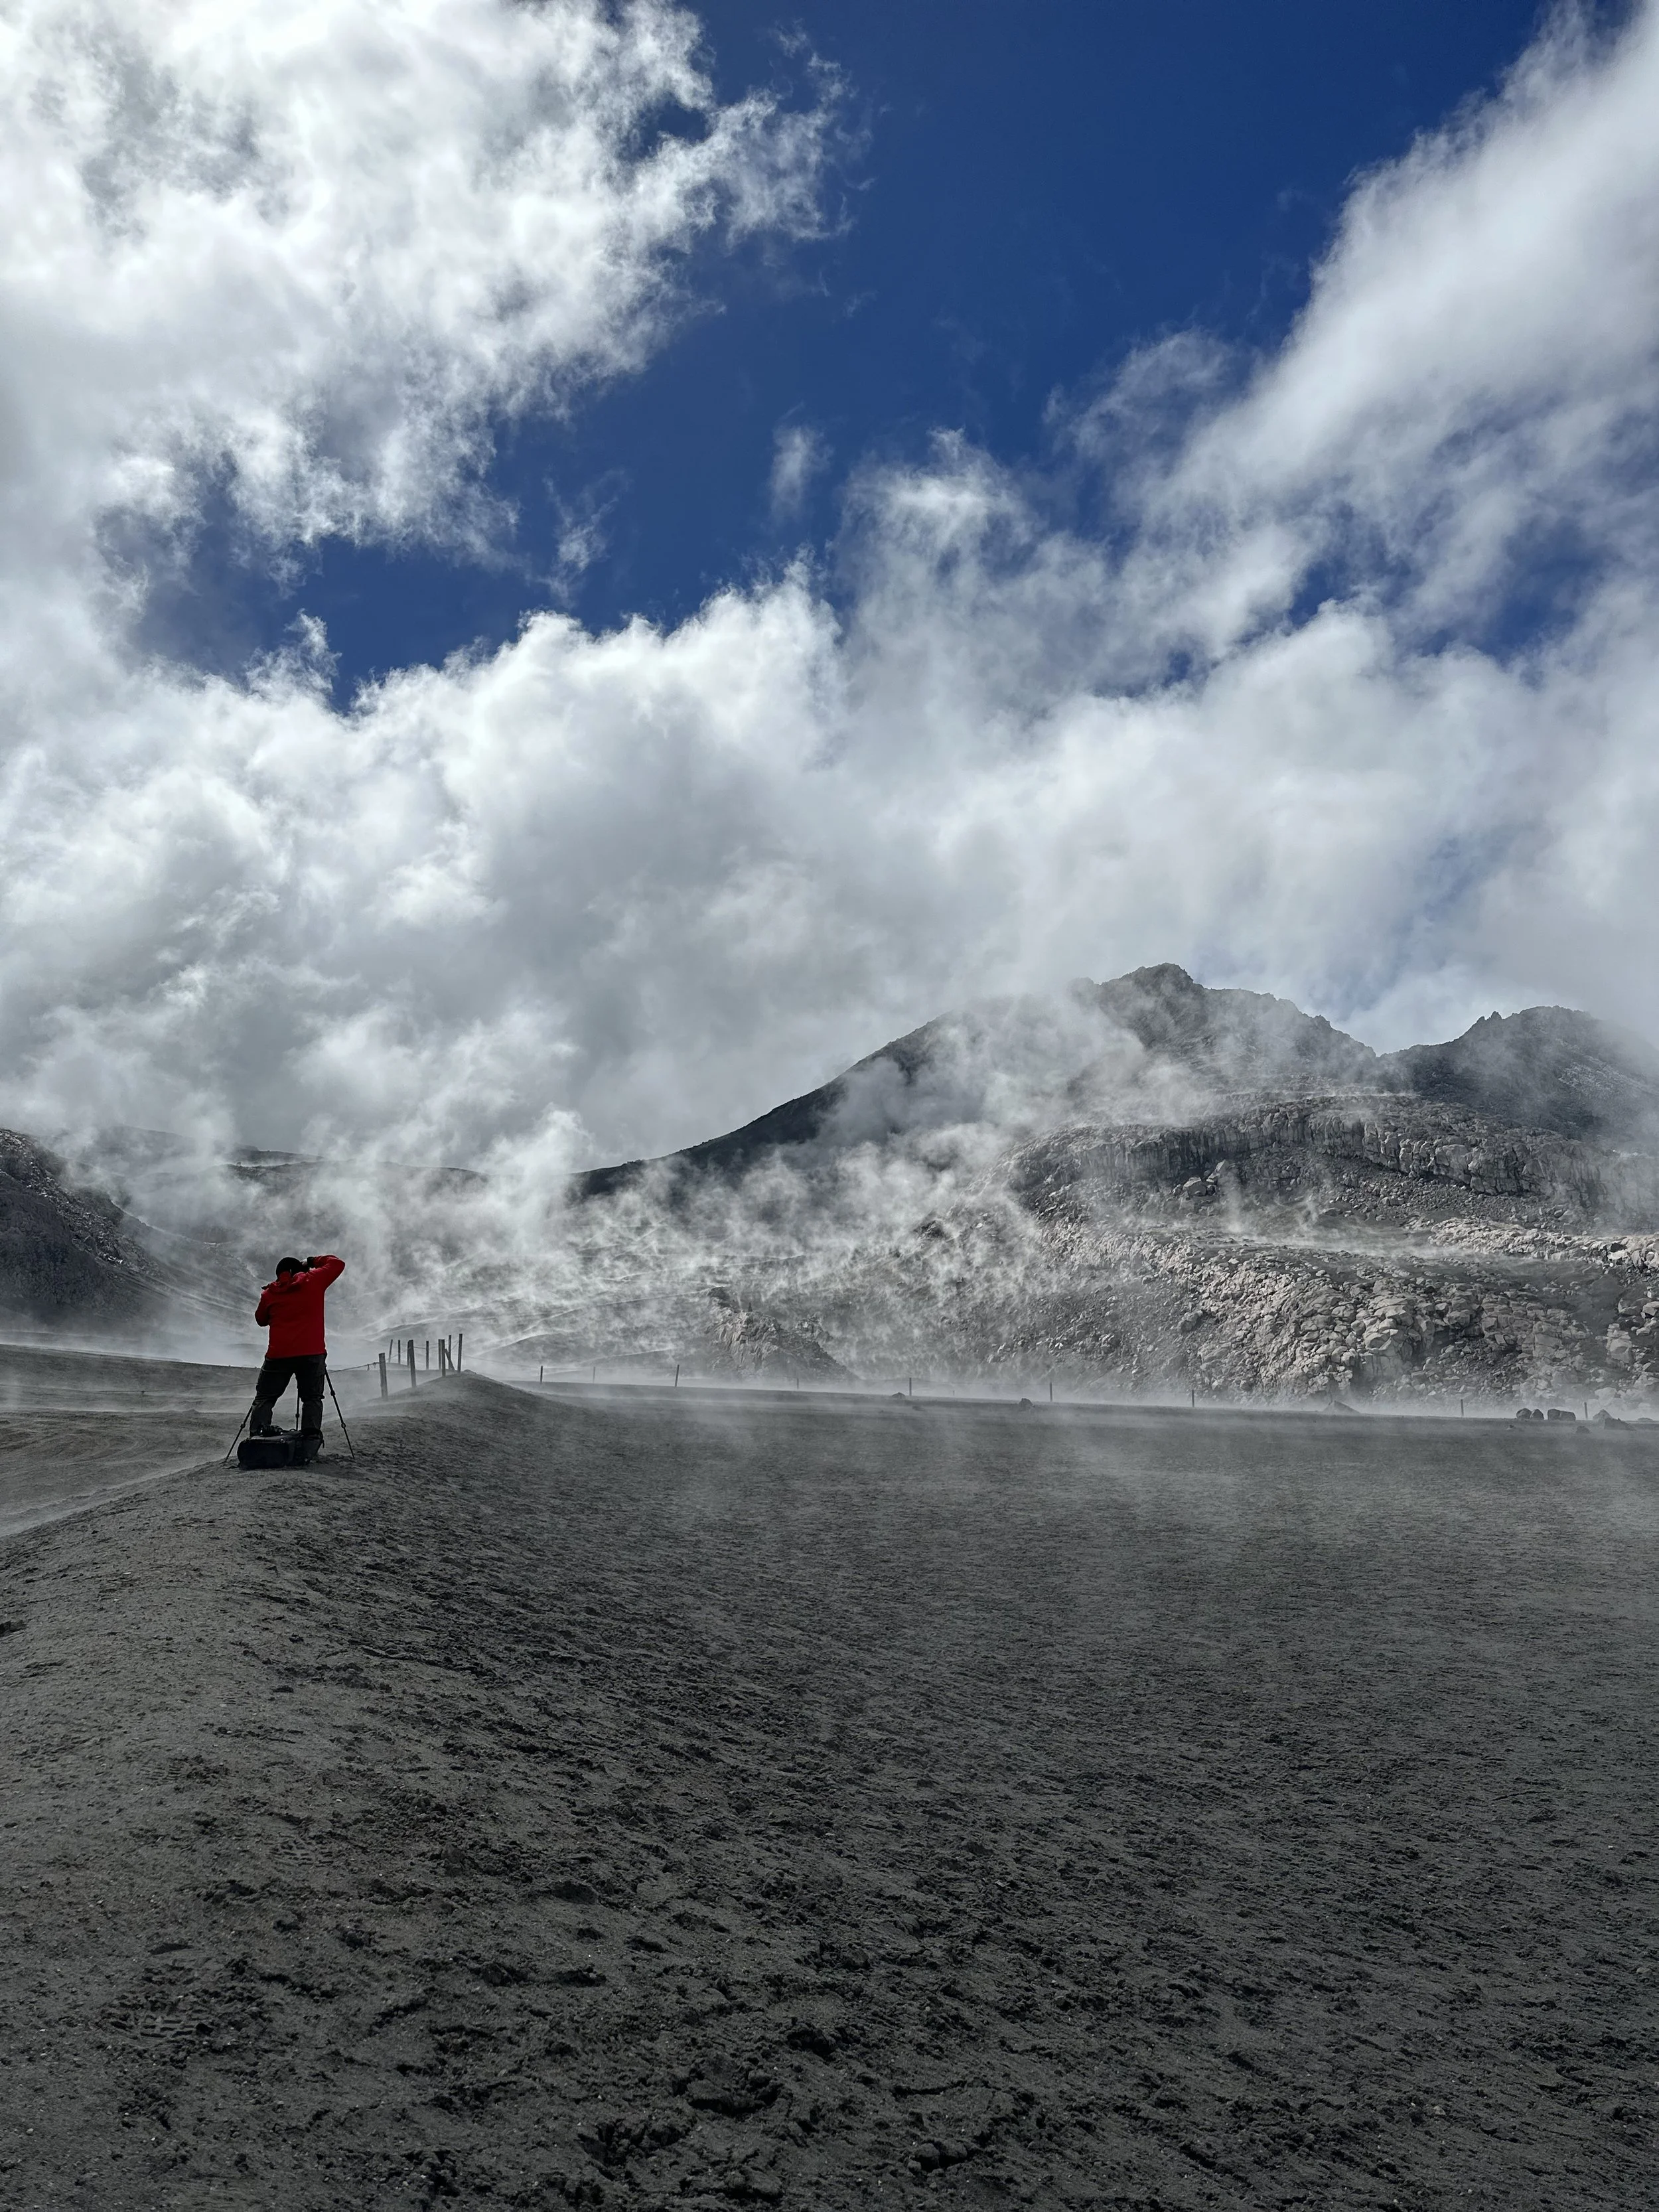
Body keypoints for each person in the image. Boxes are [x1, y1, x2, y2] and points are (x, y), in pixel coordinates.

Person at [251, 1254, 345, 1440]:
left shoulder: (269, 1293)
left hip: (278, 1354)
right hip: (312, 1352)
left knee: (265, 1398)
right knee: (312, 1398)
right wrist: (310, 1262)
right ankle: (310, 1441)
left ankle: (257, 1437)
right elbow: (337, 1264)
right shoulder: (313, 1280)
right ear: (299, 1271)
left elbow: (260, 1320)